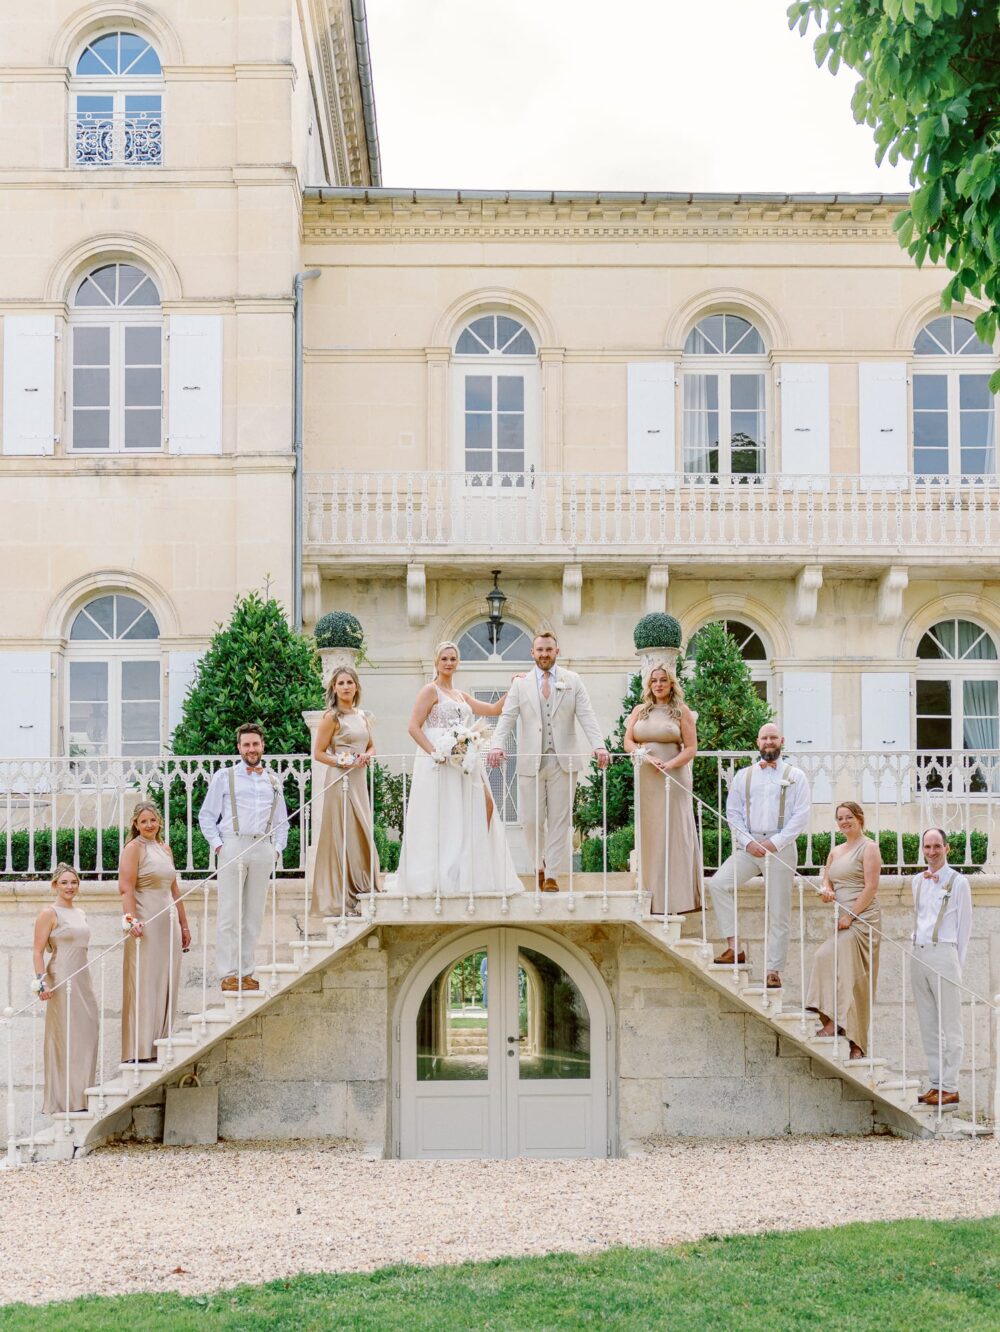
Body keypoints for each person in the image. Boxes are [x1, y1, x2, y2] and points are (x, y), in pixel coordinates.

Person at [394, 641, 522, 898]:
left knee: (484, 803)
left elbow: (494, 710)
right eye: (444, 659)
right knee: (446, 811)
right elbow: (413, 727)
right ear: (436, 662)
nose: (449, 663)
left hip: (464, 761)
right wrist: (435, 752)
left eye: (453, 658)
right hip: (440, 762)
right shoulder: (430, 691)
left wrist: (514, 686)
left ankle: (469, 865)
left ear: (458, 662)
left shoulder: (460, 695)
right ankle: (445, 871)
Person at [487, 630, 609, 892]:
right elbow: (507, 718)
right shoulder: (520, 685)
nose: (544, 654)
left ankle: (552, 873)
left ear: (557, 651)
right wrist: (496, 745)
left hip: (564, 760)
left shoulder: (573, 681)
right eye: (540, 650)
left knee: (559, 820)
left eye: (549, 650)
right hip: (531, 760)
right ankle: (538, 866)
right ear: (532, 653)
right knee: (530, 821)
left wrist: (599, 745)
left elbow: (587, 715)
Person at [708, 722, 810, 988]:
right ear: (757, 742)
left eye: (773, 737)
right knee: (719, 884)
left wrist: (774, 843)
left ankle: (773, 970)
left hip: (781, 848)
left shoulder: (796, 775)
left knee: (779, 912)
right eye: (764, 738)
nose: (769, 742)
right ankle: (734, 947)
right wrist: (748, 841)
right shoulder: (744, 776)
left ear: (782, 741)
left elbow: (801, 816)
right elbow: (734, 812)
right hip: (750, 847)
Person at [198, 723, 288, 992]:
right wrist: (218, 846)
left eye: (255, 744)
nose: (251, 749)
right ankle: (228, 974)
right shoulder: (224, 777)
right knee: (229, 912)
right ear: (239, 748)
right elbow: (207, 816)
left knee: (253, 914)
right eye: (246, 745)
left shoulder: (273, 780)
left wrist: (277, 850)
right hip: (233, 846)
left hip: (262, 848)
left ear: (263, 746)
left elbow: (282, 821)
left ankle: (247, 973)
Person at [805, 801, 882, 1059]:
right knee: (822, 957)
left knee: (857, 981)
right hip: (843, 919)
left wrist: (850, 915)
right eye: (840, 818)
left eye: (849, 817)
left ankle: (857, 1043)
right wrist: (826, 890)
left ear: (859, 818)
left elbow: (871, 887)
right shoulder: (836, 851)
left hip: (863, 919)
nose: (844, 821)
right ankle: (834, 1020)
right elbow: (826, 879)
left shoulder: (869, 847)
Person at [623, 663, 702, 915]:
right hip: (647, 775)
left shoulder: (681, 711)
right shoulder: (639, 710)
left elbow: (691, 748)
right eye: (654, 680)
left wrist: (669, 764)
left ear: (671, 684)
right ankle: (651, 896)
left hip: (673, 776)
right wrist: (644, 757)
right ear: (649, 685)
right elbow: (628, 741)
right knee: (651, 833)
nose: (658, 684)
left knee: (674, 833)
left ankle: (678, 899)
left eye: (663, 680)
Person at [119, 801, 190, 1063]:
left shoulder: (165, 849)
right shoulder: (133, 849)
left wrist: (184, 924)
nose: (149, 825)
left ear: (159, 822)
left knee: (165, 978)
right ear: (135, 824)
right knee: (145, 978)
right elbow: (126, 889)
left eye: (153, 820)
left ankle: (160, 1041)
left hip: (168, 919)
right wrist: (131, 920)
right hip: (145, 919)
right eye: (144, 821)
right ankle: (139, 1049)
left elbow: (175, 891)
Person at [311, 666, 380, 918]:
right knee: (344, 833)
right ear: (334, 687)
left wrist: (365, 756)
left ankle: (365, 885)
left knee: (362, 829)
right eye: (341, 683)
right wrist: (344, 760)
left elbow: (372, 747)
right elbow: (318, 753)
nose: (346, 687)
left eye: (350, 682)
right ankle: (343, 898)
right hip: (340, 780)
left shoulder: (361, 716)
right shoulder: (332, 717)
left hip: (359, 779)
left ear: (356, 686)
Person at [910, 827, 972, 1107]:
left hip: (944, 954)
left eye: (937, 846)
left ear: (946, 848)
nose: (932, 852)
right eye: (927, 847)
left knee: (951, 1026)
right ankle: (936, 1084)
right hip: (919, 954)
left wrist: (956, 966)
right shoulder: (917, 881)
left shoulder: (959, 882)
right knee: (928, 1025)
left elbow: (964, 929)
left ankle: (951, 1086)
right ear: (922, 849)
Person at [31, 864, 98, 1115]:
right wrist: (41, 982)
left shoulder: (81, 912)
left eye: (74, 882)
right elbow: (37, 951)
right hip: (60, 975)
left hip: (83, 976)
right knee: (65, 1036)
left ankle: (81, 1097)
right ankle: (64, 1102)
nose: (70, 887)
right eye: (65, 883)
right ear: (55, 886)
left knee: (88, 1031)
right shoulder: (49, 913)